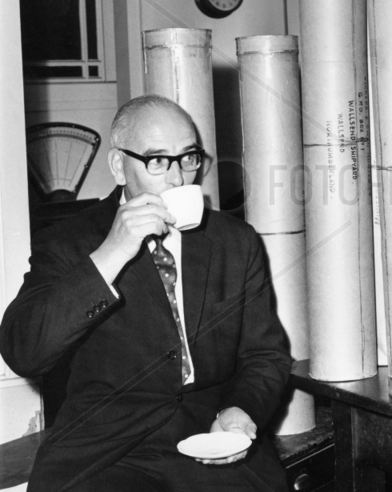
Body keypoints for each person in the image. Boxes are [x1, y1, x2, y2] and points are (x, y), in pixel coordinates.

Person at [0, 95, 292, 492]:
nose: (177, 178)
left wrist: (240, 411)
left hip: (210, 435)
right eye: (157, 160)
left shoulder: (234, 242)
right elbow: (23, 351)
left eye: (188, 158)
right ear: (120, 165)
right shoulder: (69, 242)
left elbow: (265, 355)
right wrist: (111, 253)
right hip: (105, 450)